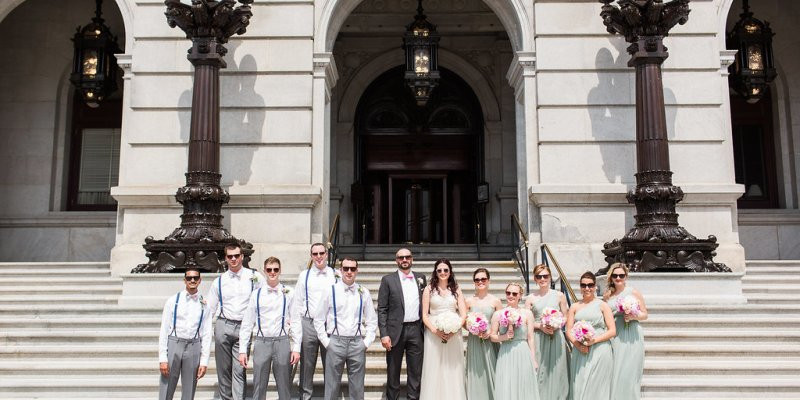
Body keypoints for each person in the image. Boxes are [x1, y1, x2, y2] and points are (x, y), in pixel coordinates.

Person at [205, 243, 266, 400]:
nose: (233, 259)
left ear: (242, 257)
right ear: (225, 258)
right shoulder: (219, 281)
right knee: (223, 369)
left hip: (244, 328)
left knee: (239, 369)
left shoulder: (255, 277)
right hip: (223, 325)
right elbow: (210, 309)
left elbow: (265, 300)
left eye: (236, 256)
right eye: (230, 256)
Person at [314, 257, 378, 400]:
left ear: (357, 271)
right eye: (346, 268)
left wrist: (366, 342)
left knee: (357, 387)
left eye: (352, 269)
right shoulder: (330, 291)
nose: (349, 272)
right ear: (340, 270)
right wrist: (327, 342)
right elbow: (318, 319)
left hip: (357, 343)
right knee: (331, 387)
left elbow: (372, 321)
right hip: (335, 341)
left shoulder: (363, 292)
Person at [237, 257, 301, 400]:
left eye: (276, 269)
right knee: (259, 385)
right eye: (269, 270)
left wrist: (296, 347)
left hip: (282, 342)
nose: (272, 272)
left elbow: (296, 320)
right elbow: (247, 324)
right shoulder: (256, 294)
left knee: (284, 386)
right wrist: (242, 350)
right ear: (264, 271)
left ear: (280, 271)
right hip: (261, 342)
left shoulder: (289, 292)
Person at [377, 248, 426, 400]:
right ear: (396, 260)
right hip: (394, 332)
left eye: (407, 257)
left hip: (416, 330)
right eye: (401, 257)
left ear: (412, 259)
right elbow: (382, 309)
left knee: (415, 372)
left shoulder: (421, 278)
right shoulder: (388, 280)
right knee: (393, 371)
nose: (404, 260)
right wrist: (384, 334)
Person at [292, 243, 338, 400]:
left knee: (331, 364)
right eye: (315, 253)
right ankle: (305, 396)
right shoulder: (304, 275)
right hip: (309, 323)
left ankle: (330, 397)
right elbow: (297, 302)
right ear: (311, 256)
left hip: (329, 325)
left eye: (321, 253)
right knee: (307, 365)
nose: (318, 256)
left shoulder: (336, 274)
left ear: (326, 254)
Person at [158, 268, 212, 400]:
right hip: (174, 343)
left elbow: (207, 333)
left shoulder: (204, 304)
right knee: (166, 387)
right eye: (189, 278)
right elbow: (164, 330)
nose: (192, 280)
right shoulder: (173, 301)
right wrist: (163, 358)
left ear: (200, 280)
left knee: (189, 389)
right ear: (184, 280)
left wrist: (204, 361)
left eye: (195, 278)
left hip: (194, 346)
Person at [419, 258, 467, 400]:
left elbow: (463, 314)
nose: (443, 272)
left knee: (453, 368)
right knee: (435, 368)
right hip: (434, 333)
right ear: (435, 272)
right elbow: (424, 315)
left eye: (445, 270)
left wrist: (455, 329)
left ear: (450, 271)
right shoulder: (429, 289)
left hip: (453, 333)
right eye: (439, 270)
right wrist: (435, 331)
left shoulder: (457, 289)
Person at [567, 272, 616, 400]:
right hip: (580, 350)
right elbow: (568, 331)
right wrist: (578, 345)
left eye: (590, 285)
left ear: (595, 287)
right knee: (580, 383)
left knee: (597, 386)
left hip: (600, 350)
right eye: (583, 285)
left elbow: (612, 331)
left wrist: (593, 341)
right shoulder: (574, 307)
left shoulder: (603, 305)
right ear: (580, 287)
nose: (587, 288)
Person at [603, 263, 648, 400]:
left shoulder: (633, 292)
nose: (618, 278)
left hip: (632, 333)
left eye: (621, 275)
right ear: (611, 277)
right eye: (615, 275)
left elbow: (645, 314)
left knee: (629, 369)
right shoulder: (607, 296)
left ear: (626, 276)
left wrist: (633, 315)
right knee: (616, 369)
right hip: (616, 334)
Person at [524, 264, 569, 400]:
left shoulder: (559, 296)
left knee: (557, 369)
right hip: (538, 337)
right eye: (539, 276)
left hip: (556, 337)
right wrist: (540, 326)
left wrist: (557, 324)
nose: (542, 279)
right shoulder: (530, 298)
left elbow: (566, 316)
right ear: (535, 279)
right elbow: (526, 322)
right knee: (540, 370)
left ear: (550, 278)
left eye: (545, 276)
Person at [490, 282, 540, 400]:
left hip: (523, 352)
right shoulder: (498, 314)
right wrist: (504, 337)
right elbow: (492, 336)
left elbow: (530, 338)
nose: (511, 295)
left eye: (514, 293)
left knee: (524, 385)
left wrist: (533, 359)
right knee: (507, 384)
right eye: (508, 293)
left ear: (520, 295)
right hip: (506, 353)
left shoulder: (527, 313)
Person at [465, 268, 502, 400]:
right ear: (474, 282)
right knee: (476, 371)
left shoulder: (496, 301)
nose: (480, 281)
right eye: (477, 280)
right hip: (474, 340)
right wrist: (472, 328)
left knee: (492, 369)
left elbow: (501, 322)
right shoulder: (468, 301)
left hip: (490, 341)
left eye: (483, 279)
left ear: (488, 281)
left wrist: (491, 332)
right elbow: (463, 322)